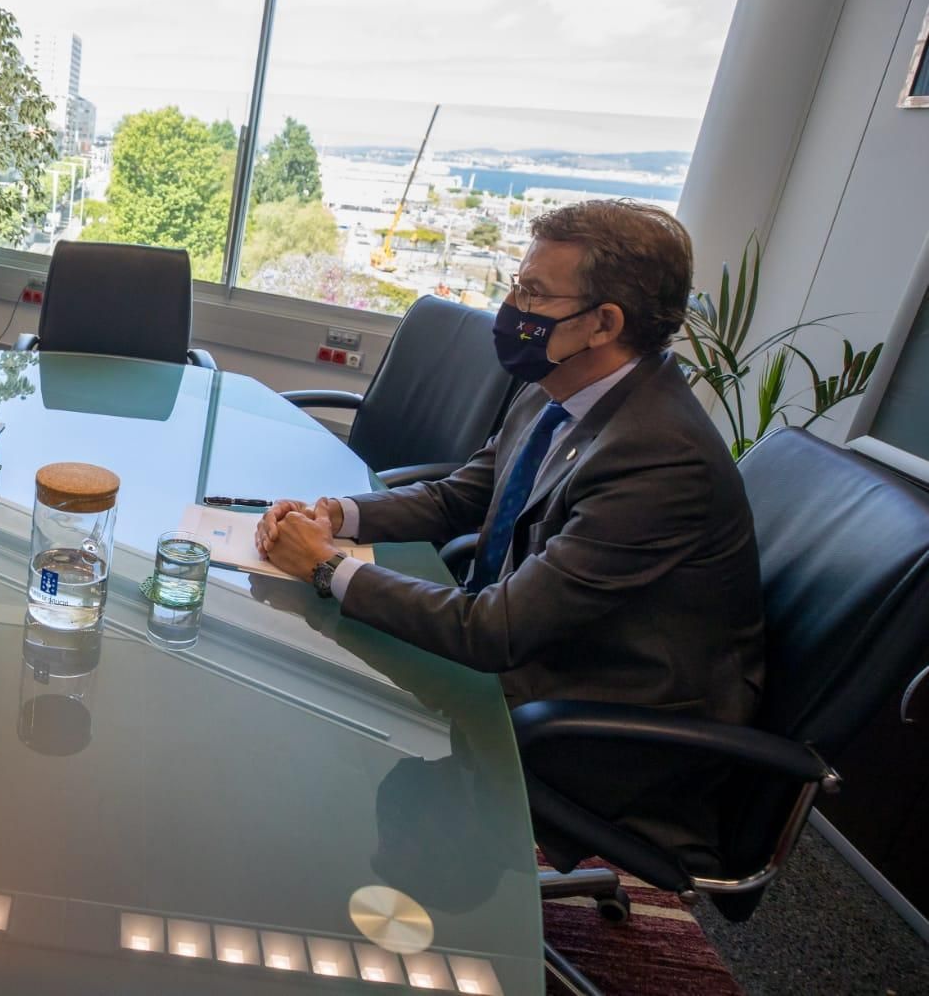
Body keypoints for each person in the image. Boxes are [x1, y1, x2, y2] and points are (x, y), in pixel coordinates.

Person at [256, 199, 765, 865]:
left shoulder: (657, 457)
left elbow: (493, 633)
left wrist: (327, 567)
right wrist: (338, 519)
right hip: (532, 648)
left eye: (531, 292)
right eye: (514, 285)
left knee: (309, 721)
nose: (510, 307)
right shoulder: (558, 385)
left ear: (602, 323)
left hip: (595, 721)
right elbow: (461, 495)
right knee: (307, 682)